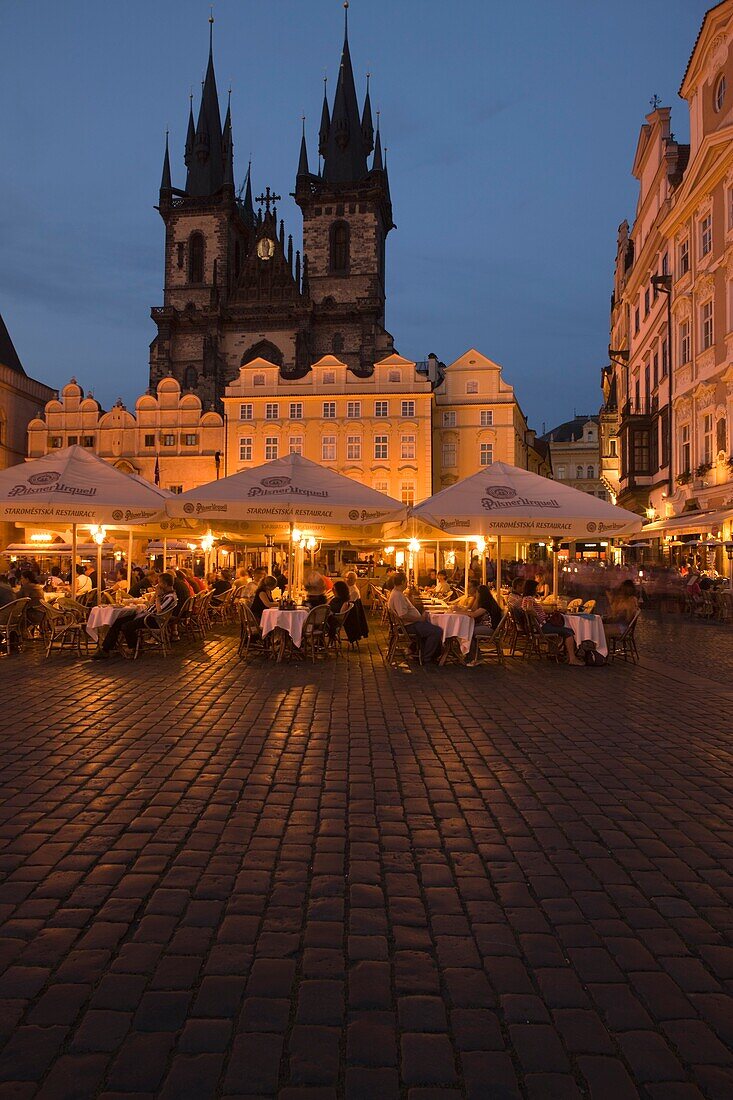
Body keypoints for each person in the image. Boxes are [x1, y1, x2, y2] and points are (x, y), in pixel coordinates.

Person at [92, 572, 178, 660]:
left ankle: (135, 648)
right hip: (146, 615)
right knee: (117, 621)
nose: (157, 584)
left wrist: (158, 598)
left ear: (165, 584)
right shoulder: (164, 594)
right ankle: (106, 649)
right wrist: (156, 594)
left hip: (154, 619)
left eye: (159, 582)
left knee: (126, 626)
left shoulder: (170, 597)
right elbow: (151, 604)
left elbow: (159, 612)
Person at [521, 579, 584, 666]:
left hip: (538, 626)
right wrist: (537, 616)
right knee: (569, 632)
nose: (537, 589)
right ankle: (572, 658)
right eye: (536, 588)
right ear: (532, 589)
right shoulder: (529, 598)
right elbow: (529, 609)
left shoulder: (525, 598)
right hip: (542, 627)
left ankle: (554, 653)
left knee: (559, 629)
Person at [388, 571, 444, 662]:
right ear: (402, 582)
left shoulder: (397, 593)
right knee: (437, 631)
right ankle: (426, 657)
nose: (407, 583)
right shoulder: (397, 595)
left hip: (410, 624)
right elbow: (403, 615)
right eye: (406, 581)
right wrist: (420, 618)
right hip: (408, 626)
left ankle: (422, 652)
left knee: (430, 625)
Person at [458, 580, 503, 666]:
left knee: (468, 632)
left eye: (477, 593)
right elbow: (473, 610)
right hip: (486, 626)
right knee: (467, 630)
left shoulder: (487, 603)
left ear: (481, 594)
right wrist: (475, 598)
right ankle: (471, 655)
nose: (476, 594)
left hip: (491, 628)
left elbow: (474, 614)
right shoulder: (485, 601)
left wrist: (459, 612)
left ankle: (477, 658)